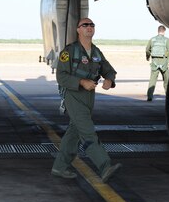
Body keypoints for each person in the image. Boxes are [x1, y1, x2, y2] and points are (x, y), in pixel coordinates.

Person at [51, 18, 122, 183]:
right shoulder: (69, 52)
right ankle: (104, 166)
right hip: (74, 95)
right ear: (78, 30)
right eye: (85, 25)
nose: (89, 27)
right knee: (87, 130)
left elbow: (109, 70)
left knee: (73, 133)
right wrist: (82, 82)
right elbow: (61, 76)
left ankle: (59, 167)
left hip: (89, 97)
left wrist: (109, 80)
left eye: (92, 25)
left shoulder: (96, 52)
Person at [145, 25, 169, 101]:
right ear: (164, 31)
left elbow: (147, 50)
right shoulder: (167, 40)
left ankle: (149, 97)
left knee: (152, 81)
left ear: (158, 31)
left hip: (154, 63)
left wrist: (148, 57)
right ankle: (168, 97)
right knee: (166, 81)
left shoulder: (152, 40)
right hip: (164, 63)